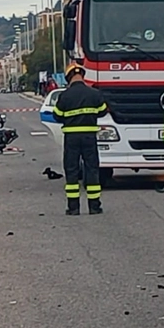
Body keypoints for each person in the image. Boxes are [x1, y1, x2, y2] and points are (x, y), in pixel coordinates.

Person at [54, 63, 108, 215]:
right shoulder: (94, 93)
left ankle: (73, 208)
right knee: (92, 169)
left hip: (71, 138)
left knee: (71, 170)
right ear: (82, 76)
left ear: (69, 77)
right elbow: (103, 111)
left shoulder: (64, 96)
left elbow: (57, 116)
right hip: (89, 137)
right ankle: (94, 206)